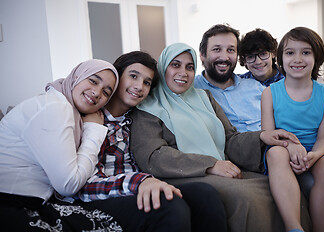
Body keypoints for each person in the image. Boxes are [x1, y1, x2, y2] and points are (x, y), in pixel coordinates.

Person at [130, 42, 311, 232]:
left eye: (189, 67)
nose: (183, 73)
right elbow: (154, 156)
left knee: (280, 189)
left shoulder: (204, 97)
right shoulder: (147, 106)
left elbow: (230, 139)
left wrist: (263, 136)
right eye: (175, 65)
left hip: (222, 167)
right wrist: (211, 165)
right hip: (183, 175)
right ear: (162, 68)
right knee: (244, 196)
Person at [195, 24, 324, 231]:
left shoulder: (252, 84)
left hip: (311, 141)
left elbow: (295, 99)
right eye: (216, 49)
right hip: (271, 148)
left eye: (231, 50)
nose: (225, 56)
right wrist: (291, 143)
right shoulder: (195, 90)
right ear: (202, 55)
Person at [75, 51, 228, 232]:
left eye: (147, 82)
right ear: (116, 77)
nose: (139, 86)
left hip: (140, 186)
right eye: (133, 76)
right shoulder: (92, 120)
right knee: (170, 207)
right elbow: (84, 185)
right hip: (103, 196)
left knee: (205, 195)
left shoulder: (137, 118)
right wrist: (141, 181)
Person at [0, 59, 122, 231]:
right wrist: (94, 130)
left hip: (30, 202)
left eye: (106, 92)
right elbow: (68, 185)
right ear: (77, 77)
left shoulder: (66, 109)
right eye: (93, 81)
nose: (96, 92)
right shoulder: (56, 107)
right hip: (11, 206)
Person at [261, 26, 324, 232]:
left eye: (305, 52)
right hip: (282, 147)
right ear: (280, 58)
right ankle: (294, 227)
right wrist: (290, 144)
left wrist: (314, 155)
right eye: (290, 53)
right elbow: (268, 134)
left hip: (317, 148)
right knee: (276, 154)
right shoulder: (270, 93)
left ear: (317, 57)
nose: (297, 59)